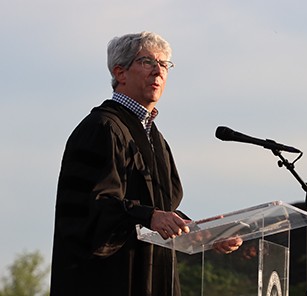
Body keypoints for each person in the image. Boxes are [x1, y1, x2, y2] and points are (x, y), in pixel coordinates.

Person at [50, 31, 241, 296]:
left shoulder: (155, 137)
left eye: (164, 64)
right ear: (120, 72)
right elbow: (89, 207)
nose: (159, 71)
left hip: (154, 275)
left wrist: (200, 232)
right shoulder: (101, 128)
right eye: (147, 62)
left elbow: (158, 207)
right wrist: (149, 216)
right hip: (110, 280)